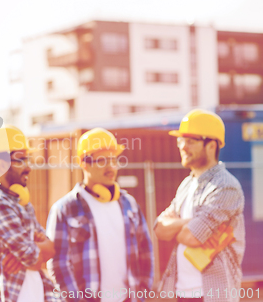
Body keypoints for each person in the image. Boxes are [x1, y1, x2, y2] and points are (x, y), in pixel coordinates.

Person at [46, 128, 154, 302]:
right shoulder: (65, 209)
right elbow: (58, 264)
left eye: (114, 160)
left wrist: (142, 293)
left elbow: (146, 252)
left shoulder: (130, 205)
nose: (111, 166)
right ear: (84, 163)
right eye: (102, 160)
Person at [155, 109, 245, 302]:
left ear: (211, 145)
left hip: (213, 294)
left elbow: (192, 236)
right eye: (180, 140)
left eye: (190, 141)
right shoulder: (187, 184)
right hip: (183, 292)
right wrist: (189, 222)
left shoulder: (225, 186)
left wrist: (179, 227)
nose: (182, 146)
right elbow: (159, 229)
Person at [0, 125, 60, 302]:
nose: (28, 167)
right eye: (21, 160)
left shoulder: (20, 200)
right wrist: (36, 248)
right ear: (1, 164)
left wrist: (33, 251)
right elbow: (34, 258)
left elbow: (50, 250)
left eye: (27, 159)